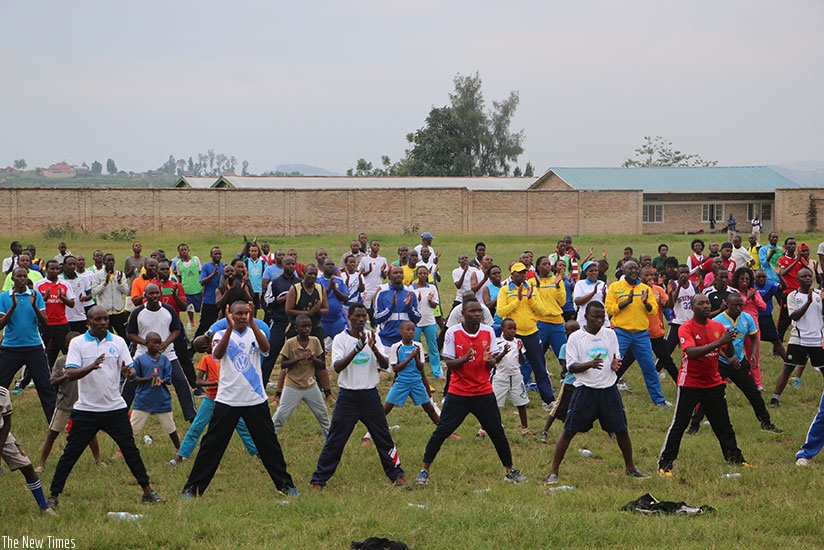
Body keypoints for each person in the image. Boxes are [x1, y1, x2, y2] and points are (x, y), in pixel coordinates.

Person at [47, 306, 165, 509]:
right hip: (87, 409)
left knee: (130, 451)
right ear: (88, 322)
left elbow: (131, 370)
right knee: (71, 454)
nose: (102, 323)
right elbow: (71, 375)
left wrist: (130, 373)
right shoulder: (78, 343)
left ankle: (147, 491)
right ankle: (54, 495)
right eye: (97, 319)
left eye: (105, 319)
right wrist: (91, 366)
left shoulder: (118, 342)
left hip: (114, 408)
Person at [183, 301, 298, 498]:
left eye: (246, 313)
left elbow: (266, 348)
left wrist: (254, 323)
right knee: (211, 446)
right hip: (228, 400)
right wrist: (228, 327)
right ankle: (193, 489)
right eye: (239, 314)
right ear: (231, 315)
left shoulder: (256, 332)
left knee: (269, 445)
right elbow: (218, 354)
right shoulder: (220, 335)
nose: (243, 316)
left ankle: (286, 485)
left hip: (255, 399)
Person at [416, 299, 526, 486]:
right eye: (472, 311)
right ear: (463, 314)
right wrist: (465, 358)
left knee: (497, 432)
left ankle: (510, 471)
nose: (477, 314)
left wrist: (489, 360)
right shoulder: (453, 332)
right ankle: (425, 470)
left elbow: (492, 363)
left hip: (483, 391)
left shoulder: (488, 331)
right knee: (442, 430)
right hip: (459, 392)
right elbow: (449, 364)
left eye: (479, 311)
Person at [545, 302, 648, 484]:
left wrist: (616, 365)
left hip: (608, 390)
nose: (600, 320)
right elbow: (571, 367)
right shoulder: (576, 338)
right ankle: (554, 471)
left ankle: (630, 468)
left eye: (603, 317)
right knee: (569, 431)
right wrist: (589, 364)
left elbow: (615, 359)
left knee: (622, 430)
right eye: (595, 317)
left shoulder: (610, 334)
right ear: (586, 316)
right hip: (585, 390)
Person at [309, 303, 407, 489]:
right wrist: (356, 349)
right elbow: (337, 367)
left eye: (364, 317)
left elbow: (386, 365)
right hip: (348, 397)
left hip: (370, 395)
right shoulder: (341, 339)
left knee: (383, 437)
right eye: (358, 316)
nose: (362, 319)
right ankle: (319, 479)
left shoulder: (373, 337)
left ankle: (397, 474)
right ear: (350, 318)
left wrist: (374, 348)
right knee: (336, 439)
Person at [657, 294, 749, 476]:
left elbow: (727, 351)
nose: (706, 306)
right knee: (680, 424)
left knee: (723, 423)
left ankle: (735, 458)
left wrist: (729, 342)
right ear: (692, 308)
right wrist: (720, 341)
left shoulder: (718, 326)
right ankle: (665, 464)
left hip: (713, 382)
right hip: (690, 382)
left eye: (707, 303)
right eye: (701, 303)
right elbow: (691, 352)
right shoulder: (686, 328)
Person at [686, 293, 782, 435]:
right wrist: (729, 359)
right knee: (709, 395)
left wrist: (753, 354)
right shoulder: (718, 321)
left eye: (740, 305)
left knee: (754, 393)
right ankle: (694, 426)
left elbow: (754, 337)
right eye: (734, 305)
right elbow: (715, 346)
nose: (738, 308)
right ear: (727, 305)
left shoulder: (746, 318)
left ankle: (766, 423)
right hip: (721, 362)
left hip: (739, 361)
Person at [168, 335, 258, 467]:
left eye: (207, 344)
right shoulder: (207, 359)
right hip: (211, 398)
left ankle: (258, 453)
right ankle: (180, 456)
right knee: (197, 426)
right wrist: (213, 383)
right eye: (203, 348)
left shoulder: (227, 356)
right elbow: (198, 381)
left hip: (229, 398)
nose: (208, 347)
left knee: (243, 427)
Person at [362, 321, 452, 445]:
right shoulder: (396, 347)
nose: (411, 332)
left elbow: (421, 368)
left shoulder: (418, 346)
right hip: (401, 382)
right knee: (385, 409)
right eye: (408, 330)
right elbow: (395, 368)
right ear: (401, 331)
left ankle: (445, 433)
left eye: (413, 330)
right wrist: (410, 358)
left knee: (430, 409)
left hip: (416, 382)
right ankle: (368, 434)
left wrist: (415, 357)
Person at [125, 284, 197, 422]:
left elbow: (176, 329)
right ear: (145, 296)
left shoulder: (168, 310)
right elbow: (130, 333)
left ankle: (191, 414)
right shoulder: (138, 312)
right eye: (151, 294)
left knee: (181, 382)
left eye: (156, 293)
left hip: (167, 354)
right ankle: (120, 412)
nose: (154, 296)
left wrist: (166, 343)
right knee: (131, 382)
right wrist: (146, 343)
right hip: (143, 355)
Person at [36, 331, 105, 473]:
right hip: (65, 403)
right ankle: (41, 463)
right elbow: (53, 382)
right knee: (52, 433)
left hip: (84, 403)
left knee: (90, 433)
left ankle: (98, 460)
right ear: (67, 345)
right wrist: (66, 376)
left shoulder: (87, 360)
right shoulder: (62, 361)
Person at [605, 261, 669, 408]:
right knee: (614, 365)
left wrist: (646, 302)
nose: (633, 271)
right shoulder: (615, 287)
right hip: (621, 333)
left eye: (635, 268)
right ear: (623, 270)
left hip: (641, 335)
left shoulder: (645, 289)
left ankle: (658, 400)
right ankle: (605, 396)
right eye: (630, 268)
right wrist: (624, 303)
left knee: (649, 367)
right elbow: (609, 309)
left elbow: (653, 311)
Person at [0, 267, 57, 422]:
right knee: (1, 385)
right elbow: (1, 324)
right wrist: (13, 306)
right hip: (11, 348)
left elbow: (45, 322)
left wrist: (34, 306)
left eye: (25, 276)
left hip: (34, 347)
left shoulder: (35, 295)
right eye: (19, 276)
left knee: (45, 385)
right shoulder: (4, 297)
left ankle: (53, 421)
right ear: (13, 278)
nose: (22, 278)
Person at [496, 262, 555, 405]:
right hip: (513, 336)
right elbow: (501, 312)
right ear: (512, 275)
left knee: (540, 367)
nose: (522, 275)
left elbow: (542, 311)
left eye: (524, 272)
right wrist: (518, 300)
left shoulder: (532, 289)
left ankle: (549, 400)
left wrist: (530, 299)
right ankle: (504, 397)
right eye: (518, 273)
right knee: (508, 366)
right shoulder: (505, 290)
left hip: (532, 333)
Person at [0, 385, 59, 516]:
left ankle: (44, 507)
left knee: (27, 466)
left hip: (2, 432)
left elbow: (7, 423)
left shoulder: (2, 393)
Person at [271, 315, 333, 438]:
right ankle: (267, 443)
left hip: (310, 385)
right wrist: (299, 358)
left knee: (324, 416)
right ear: (296, 328)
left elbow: (321, 364)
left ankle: (331, 445)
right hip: (292, 385)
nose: (307, 329)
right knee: (281, 416)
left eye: (309, 326)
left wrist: (313, 358)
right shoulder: (290, 343)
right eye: (303, 326)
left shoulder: (314, 341)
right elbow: (283, 364)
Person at [771, 268, 824, 408]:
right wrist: (809, 302)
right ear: (798, 279)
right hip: (798, 339)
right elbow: (794, 316)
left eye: (809, 276)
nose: (808, 278)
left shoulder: (819, 294)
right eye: (804, 276)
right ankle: (775, 398)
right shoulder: (793, 296)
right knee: (788, 368)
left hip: (817, 339)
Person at [126, 332, 181, 451]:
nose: (158, 345)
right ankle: (123, 450)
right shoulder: (140, 360)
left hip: (162, 399)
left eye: (159, 343)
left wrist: (163, 380)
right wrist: (147, 379)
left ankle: (179, 449)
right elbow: (134, 379)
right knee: (133, 428)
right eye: (154, 343)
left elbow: (169, 378)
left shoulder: (164, 360)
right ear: (146, 343)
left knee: (170, 427)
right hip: (144, 399)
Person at [261, 255, 300, 384]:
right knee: (271, 354)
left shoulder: (299, 282)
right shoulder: (276, 282)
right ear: (283, 265)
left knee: (297, 355)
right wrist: (283, 299)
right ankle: (262, 381)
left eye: (293, 264)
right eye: (288, 264)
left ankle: (296, 383)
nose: (290, 266)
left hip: (295, 324)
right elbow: (267, 302)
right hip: (279, 322)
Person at [540, 320, 579, 443]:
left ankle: (611, 431)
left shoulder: (584, 345)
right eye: (571, 330)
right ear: (565, 332)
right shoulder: (565, 347)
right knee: (558, 406)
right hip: (570, 382)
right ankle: (545, 430)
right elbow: (565, 367)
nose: (574, 333)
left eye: (576, 330)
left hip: (584, 382)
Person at [492, 318, 533, 436]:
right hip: (501, 377)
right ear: (502, 329)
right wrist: (504, 352)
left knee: (521, 403)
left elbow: (522, 361)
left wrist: (520, 351)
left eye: (514, 329)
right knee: (494, 404)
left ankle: (525, 428)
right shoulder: (497, 342)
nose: (512, 331)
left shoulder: (518, 342)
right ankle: (485, 429)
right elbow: (495, 361)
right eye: (509, 329)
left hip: (515, 376)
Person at [34, 260, 76, 368]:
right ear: (46, 270)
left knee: (68, 351)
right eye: (52, 269)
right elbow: (33, 303)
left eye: (57, 269)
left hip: (61, 323)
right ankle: (30, 377)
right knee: (39, 351)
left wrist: (62, 297)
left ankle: (70, 371)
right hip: (45, 323)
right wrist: (44, 299)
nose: (54, 271)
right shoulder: (39, 284)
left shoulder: (64, 284)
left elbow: (72, 304)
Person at [373, 265, 421, 351]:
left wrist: (409, 307)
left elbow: (417, 318)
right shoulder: (382, 294)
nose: (398, 275)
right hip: (386, 341)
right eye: (395, 273)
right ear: (389, 276)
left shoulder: (410, 293)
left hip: (405, 342)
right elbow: (377, 318)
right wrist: (391, 307)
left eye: (401, 272)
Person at [410, 265, 443, 379]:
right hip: (416, 322)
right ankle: (414, 371)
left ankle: (437, 372)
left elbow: (435, 305)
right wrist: (416, 301)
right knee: (414, 348)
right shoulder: (411, 288)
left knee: (433, 348)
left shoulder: (432, 288)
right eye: (420, 273)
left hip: (429, 321)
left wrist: (430, 301)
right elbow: (409, 306)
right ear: (417, 275)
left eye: (425, 273)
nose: (423, 275)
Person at [90, 253, 130, 339]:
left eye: (112, 260)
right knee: (105, 337)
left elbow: (127, 291)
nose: (111, 262)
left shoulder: (120, 274)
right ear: (104, 262)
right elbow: (94, 291)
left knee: (125, 336)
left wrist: (119, 283)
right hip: (104, 313)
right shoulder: (98, 275)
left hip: (118, 311)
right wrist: (105, 283)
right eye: (108, 260)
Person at [754, 268, 787, 361]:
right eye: (759, 277)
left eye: (763, 277)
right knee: (749, 341)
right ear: (755, 278)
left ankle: (788, 362)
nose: (761, 279)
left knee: (776, 341)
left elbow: (784, 287)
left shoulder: (771, 285)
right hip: (754, 319)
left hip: (767, 319)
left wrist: (780, 276)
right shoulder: (751, 287)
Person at [193, 247, 225, 338]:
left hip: (222, 300)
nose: (218, 255)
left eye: (219, 253)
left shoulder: (224, 266)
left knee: (221, 323)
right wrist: (213, 274)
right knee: (204, 324)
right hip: (209, 300)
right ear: (211, 255)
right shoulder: (206, 266)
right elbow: (202, 282)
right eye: (215, 254)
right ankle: (196, 342)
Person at [318, 258, 349, 347]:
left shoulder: (339, 281)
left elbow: (346, 298)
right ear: (323, 267)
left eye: (332, 264)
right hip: (322, 321)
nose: (331, 266)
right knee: (319, 346)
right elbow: (317, 298)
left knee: (343, 345)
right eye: (328, 264)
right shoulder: (318, 281)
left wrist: (335, 289)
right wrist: (328, 289)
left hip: (337, 321)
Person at [171, 243, 202, 331]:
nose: (184, 251)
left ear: (188, 250)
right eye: (182, 250)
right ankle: (192, 321)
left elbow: (200, 272)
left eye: (185, 249)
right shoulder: (178, 263)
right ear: (179, 252)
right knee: (189, 306)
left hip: (197, 287)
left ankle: (200, 320)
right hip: (186, 289)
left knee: (199, 308)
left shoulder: (195, 259)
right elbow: (179, 277)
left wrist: (202, 286)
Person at [60, 256, 92, 333]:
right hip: (64, 317)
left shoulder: (83, 278)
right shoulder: (59, 280)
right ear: (64, 265)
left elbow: (90, 295)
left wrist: (84, 298)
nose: (72, 266)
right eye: (70, 264)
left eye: (74, 264)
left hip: (80, 316)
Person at [358, 240, 388, 322]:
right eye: (374, 245)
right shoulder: (364, 259)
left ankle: (375, 322)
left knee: (377, 306)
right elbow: (361, 273)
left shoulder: (383, 260)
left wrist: (382, 271)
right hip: (367, 287)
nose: (376, 247)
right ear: (370, 247)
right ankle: (367, 321)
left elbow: (385, 277)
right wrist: (369, 271)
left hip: (378, 287)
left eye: (378, 245)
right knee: (365, 306)